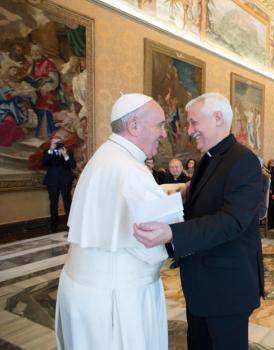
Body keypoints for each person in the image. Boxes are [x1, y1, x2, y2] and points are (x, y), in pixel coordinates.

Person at [133, 92, 264, 350]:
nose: (189, 130)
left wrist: (173, 234)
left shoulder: (244, 160)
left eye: (194, 123)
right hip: (202, 284)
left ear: (218, 118)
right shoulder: (208, 159)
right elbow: (193, 203)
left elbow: (231, 221)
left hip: (228, 288)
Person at [55, 93, 170, 349]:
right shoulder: (131, 171)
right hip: (117, 301)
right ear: (134, 126)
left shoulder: (103, 157)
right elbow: (154, 245)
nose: (164, 133)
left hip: (84, 292)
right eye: (160, 125)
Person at [42, 137, 75, 232]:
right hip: (52, 181)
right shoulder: (47, 152)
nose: (57, 144)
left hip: (65, 181)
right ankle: (53, 225)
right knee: (53, 203)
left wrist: (65, 156)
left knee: (67, 203)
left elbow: (73, 165)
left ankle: (70, 225)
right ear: (51, 143)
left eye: (58, 142)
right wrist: (51, 150)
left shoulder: (68, 152)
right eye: (54, 143)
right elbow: (44, 163)